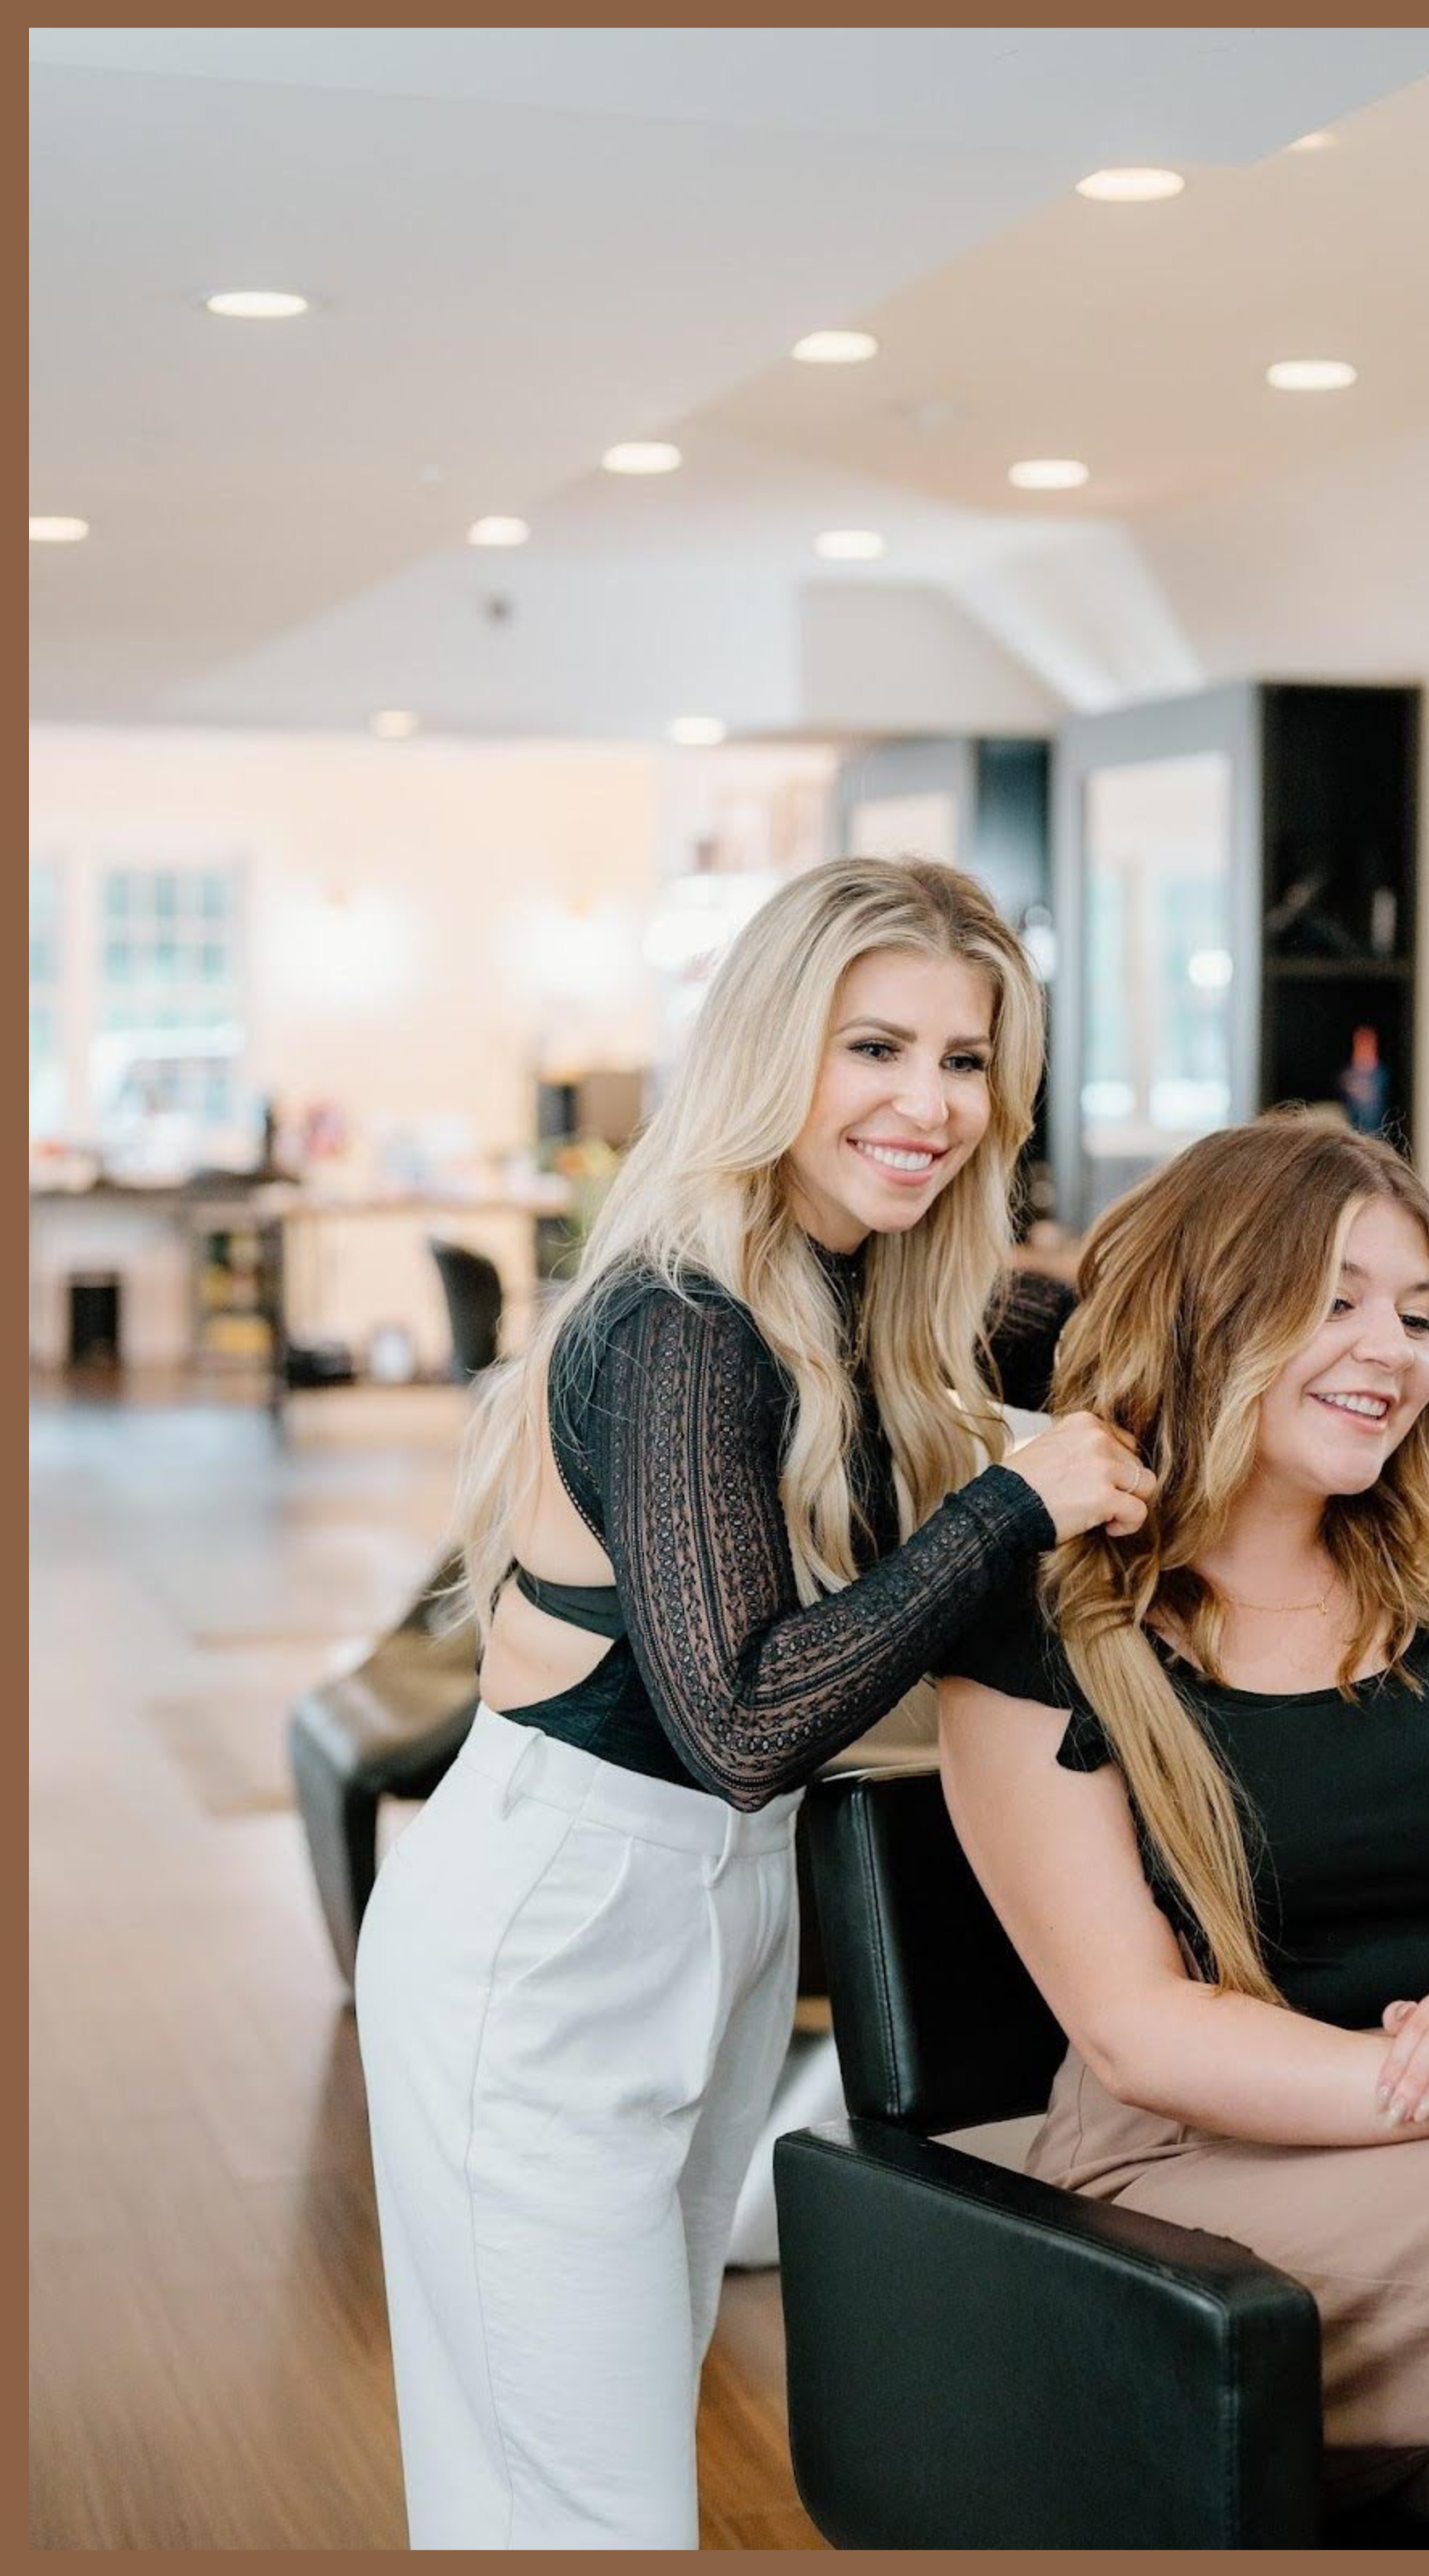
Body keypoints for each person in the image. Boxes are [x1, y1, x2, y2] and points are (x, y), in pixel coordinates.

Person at [353, 856, 1150, 2549]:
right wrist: (1010, 1508)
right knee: (582, 2509)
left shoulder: (864, 1288)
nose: (929, 1106)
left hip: (715, 1918)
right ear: (771, 1049)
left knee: (605, 2459)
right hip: (552, 1928)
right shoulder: (680, 1322)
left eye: (964, 1061)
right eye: (877, 1048)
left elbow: (1103, 1338)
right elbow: (738, 1726)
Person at [937, 1111, 1429, 2552]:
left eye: (1414, 1314)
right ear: (1203, 1314)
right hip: (1185, 2204)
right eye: (1334, 1301)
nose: (1389, 1351)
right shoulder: (1038, 1625)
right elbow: (1137, 2036)